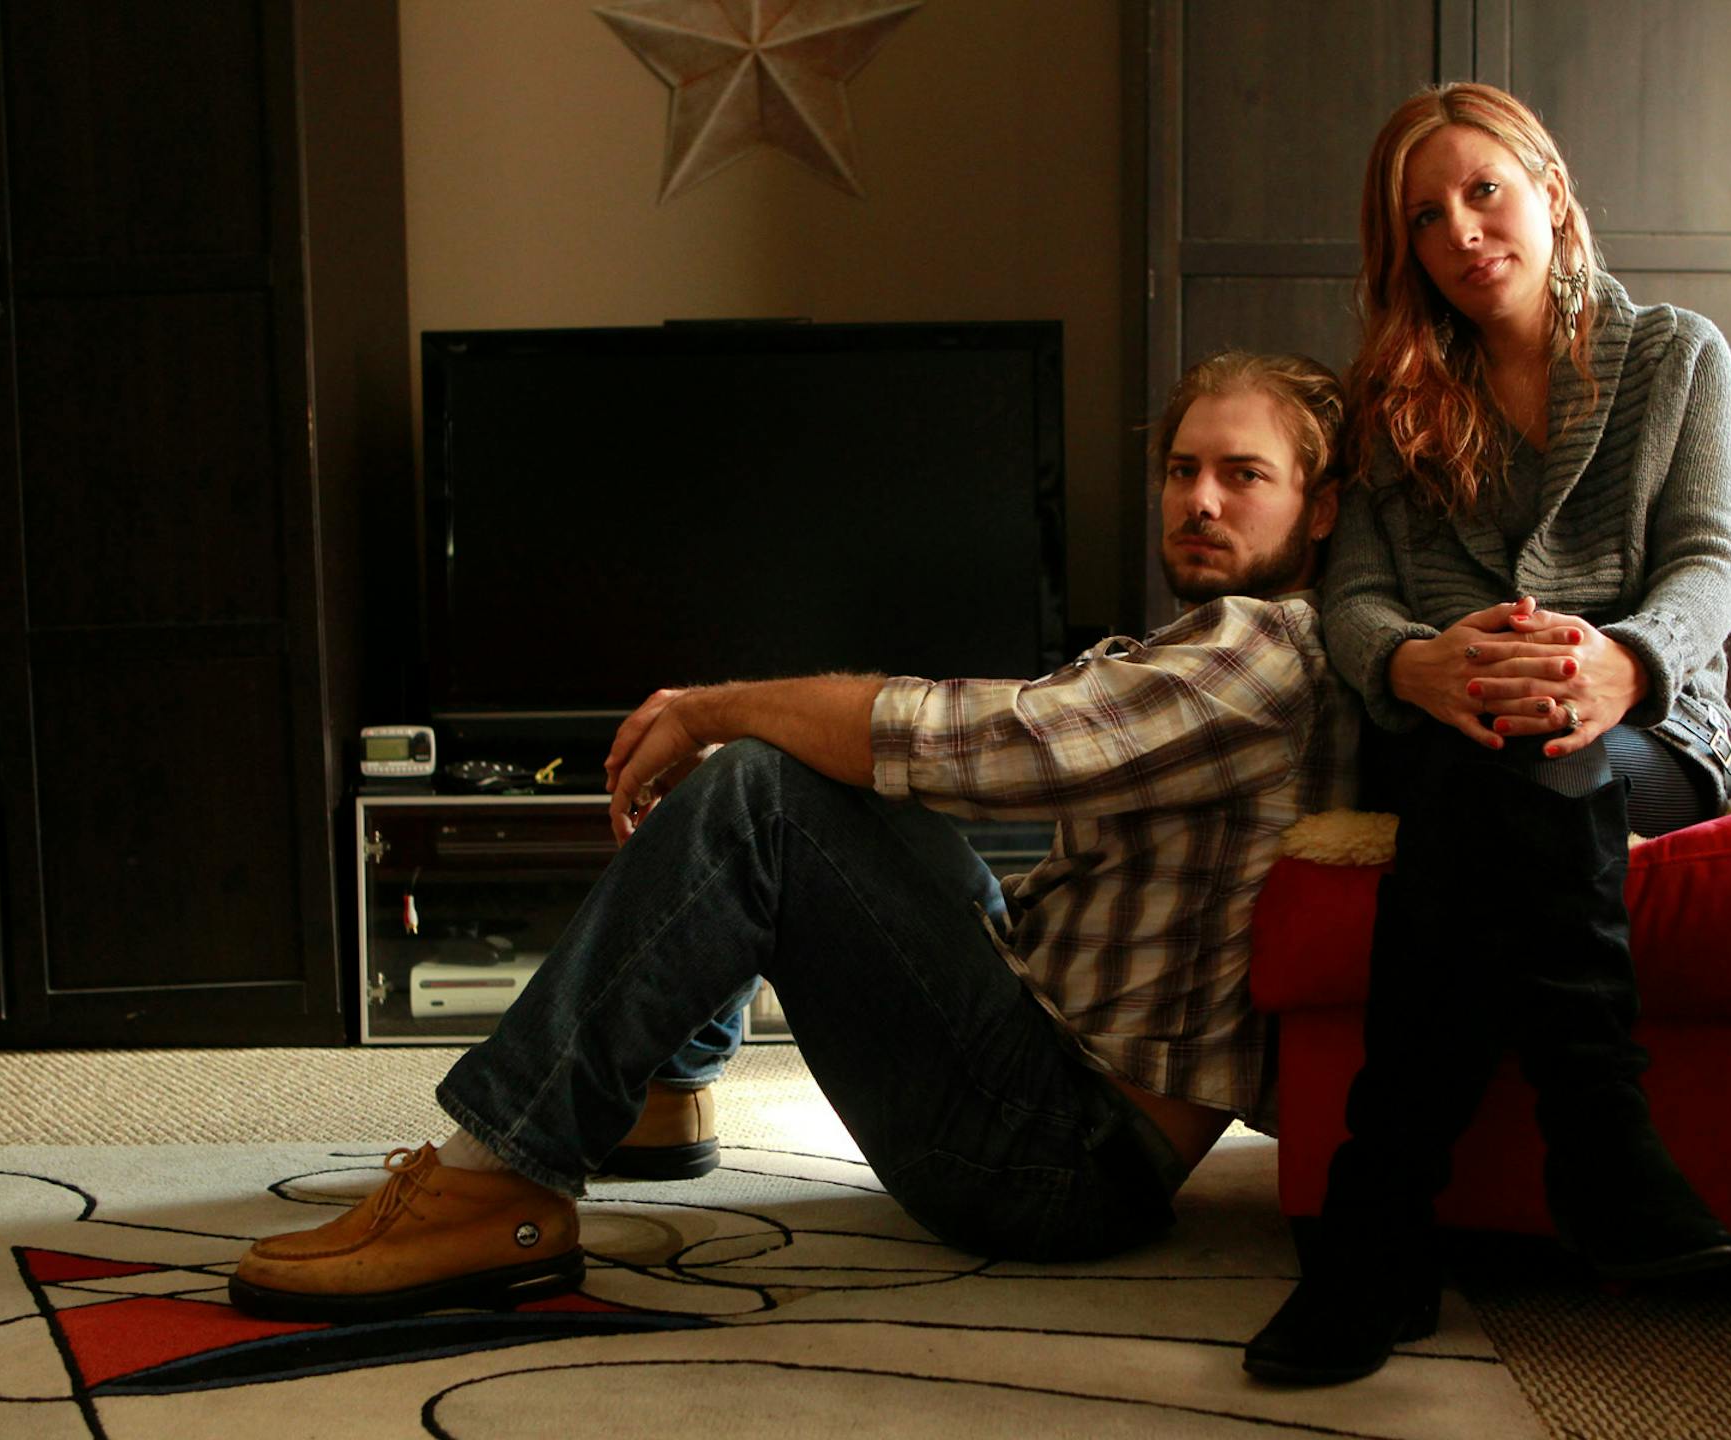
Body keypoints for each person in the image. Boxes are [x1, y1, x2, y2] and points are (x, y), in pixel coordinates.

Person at [228, 350, 1360, 1322]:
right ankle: (664, 1094)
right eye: (1182, 470)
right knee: (797, 777)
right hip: (1057, 1086)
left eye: (1242, 475)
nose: (1200, 499)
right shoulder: (1243, 646)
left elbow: (999, 744)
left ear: (1316, 506)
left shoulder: (1266, 649)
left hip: (1053, 1160)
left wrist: (711, 704)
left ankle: (496, 1180)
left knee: (763, 791)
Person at [1242, 82, 1731, 1386]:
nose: (1464, 230)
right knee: (1494, 775)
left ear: (1550, 190)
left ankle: (1374, 1233)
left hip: (1645, 731)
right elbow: (1351, 595)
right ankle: (1604, 1152)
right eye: (1428, 216)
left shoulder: (1678, 355)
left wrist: (1623, 667)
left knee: (1520, 786)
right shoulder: (1395, 399)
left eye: (1485, 192)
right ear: (1403, 249)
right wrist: (1415, 664)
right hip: (1454, 726)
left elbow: (1709, 564)